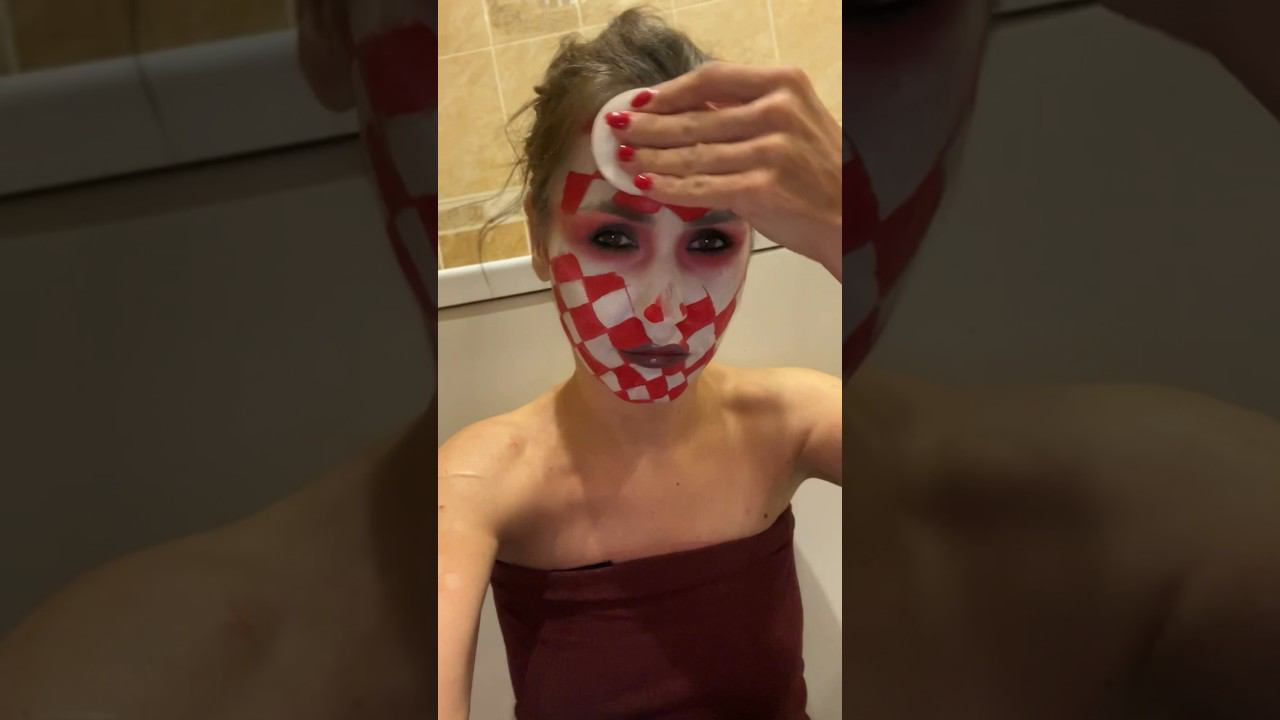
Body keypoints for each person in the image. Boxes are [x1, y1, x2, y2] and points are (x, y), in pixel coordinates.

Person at [435, 11, 840, 719]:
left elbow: (1020, 484)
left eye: (710, 242)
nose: (662, 308)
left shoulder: (793, 422)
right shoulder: (480, 481)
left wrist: (845, 224)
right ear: (539, 238)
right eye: (615, 238)